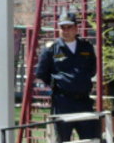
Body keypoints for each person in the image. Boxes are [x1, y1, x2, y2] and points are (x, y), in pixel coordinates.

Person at [35, 12, 98, 142]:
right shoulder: (52, 49)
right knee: (63, 139)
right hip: (63, 102)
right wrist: (58, 84)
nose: (66, 31)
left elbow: (92, 70)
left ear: (76, 28)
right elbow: (41, 73)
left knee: (91, 139)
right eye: (63, 27)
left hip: (84, 101)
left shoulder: (86, 47)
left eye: (69, 27)